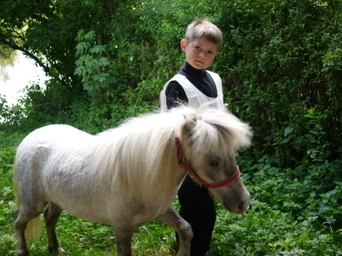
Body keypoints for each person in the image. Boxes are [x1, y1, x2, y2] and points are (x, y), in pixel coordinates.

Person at [159, 18, 224, 256]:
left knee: (204, 213)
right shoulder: (177, 86)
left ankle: (187, 248)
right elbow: (178, 133)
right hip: (189, 165)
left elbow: (220, 115)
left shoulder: (215, 79)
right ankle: (191, 250)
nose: (202, 55)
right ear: (184, 45)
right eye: (198, 48)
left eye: (210, 52)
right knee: (199, 213)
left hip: (214, 160)